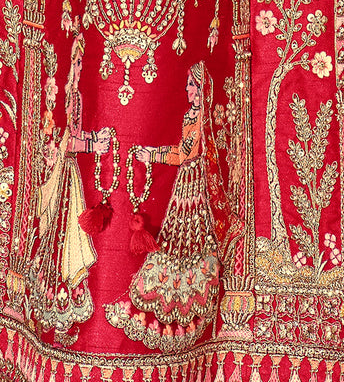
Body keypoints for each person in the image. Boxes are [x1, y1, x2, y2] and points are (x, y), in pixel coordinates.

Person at [105, 62, 241, 352]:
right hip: (186, 183)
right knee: (175, 242)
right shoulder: (191, 116)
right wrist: (154, 154)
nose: (188, 90)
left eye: (192, 84)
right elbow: (182, 151)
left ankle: (189, 309)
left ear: (203, 88)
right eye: (189, 85)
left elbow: (184, 154)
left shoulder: (201, 118)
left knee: (191, 242)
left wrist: (153, 154)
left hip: (195, 185)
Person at [27, 33, 111, 341]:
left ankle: (61, 316)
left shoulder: (74, 94)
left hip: (69, 173)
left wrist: (91, 140)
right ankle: (53, 313)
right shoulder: (66, 94)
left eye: (79, 62)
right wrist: (93, 142)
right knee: (61, 240)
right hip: (63, 173)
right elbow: (66, 139)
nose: (78, 67)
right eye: (76, 61)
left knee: (69, 241)